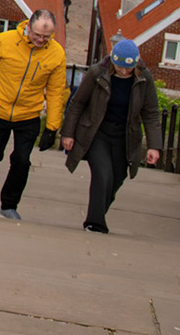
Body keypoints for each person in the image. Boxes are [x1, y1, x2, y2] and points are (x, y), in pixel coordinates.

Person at [0, 9, 68, 220]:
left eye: (46, 37)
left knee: (22, 160)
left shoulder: (56, 53)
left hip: (28, 115)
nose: (41, 40)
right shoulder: (4, 40)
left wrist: (52, 127)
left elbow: (56, 91)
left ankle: (9, 205)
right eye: (37, 34)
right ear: (28, 27)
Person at [59, 39, 162, 233]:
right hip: (97, 131)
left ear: (135, 63)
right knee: (102, 173)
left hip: (125, 136)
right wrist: (68, 133)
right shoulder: (98, 72)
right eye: (120, 67)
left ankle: (97, 212)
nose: (124, 71)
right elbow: (77, 103)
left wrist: (154, 146)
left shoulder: (144, 78)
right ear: (113, 61)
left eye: (128, 68)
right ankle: (95, 223)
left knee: (117, 177)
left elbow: (151, 112)